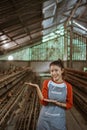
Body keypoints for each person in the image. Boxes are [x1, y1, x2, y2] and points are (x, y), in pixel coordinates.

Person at [25, 59, 73, 130]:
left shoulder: (68, 86)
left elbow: (69, 104)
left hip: (58, 119)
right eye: (51, 71)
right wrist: (37, 87)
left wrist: (58, 103)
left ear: (62, 70)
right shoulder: (47, 83)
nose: (53, 73)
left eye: (56, 70)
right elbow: (43, 102)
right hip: (45, 118)